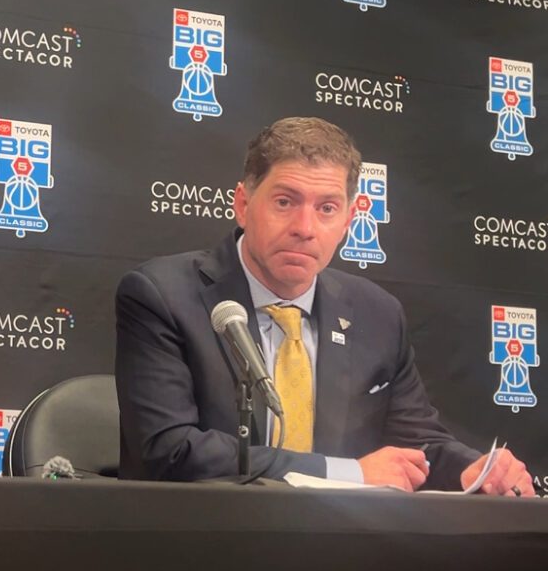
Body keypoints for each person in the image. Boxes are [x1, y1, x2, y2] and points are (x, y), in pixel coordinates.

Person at [115, 117, 533, 495]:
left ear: (348, 222)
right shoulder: (162, 295)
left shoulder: (377, 314)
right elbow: (170, 449)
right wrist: (349, 473)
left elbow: (415, 443)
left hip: (337, 551)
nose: (304, 228)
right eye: (285, 202)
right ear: (243, 205)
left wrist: (473, 470)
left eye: (327, 209)